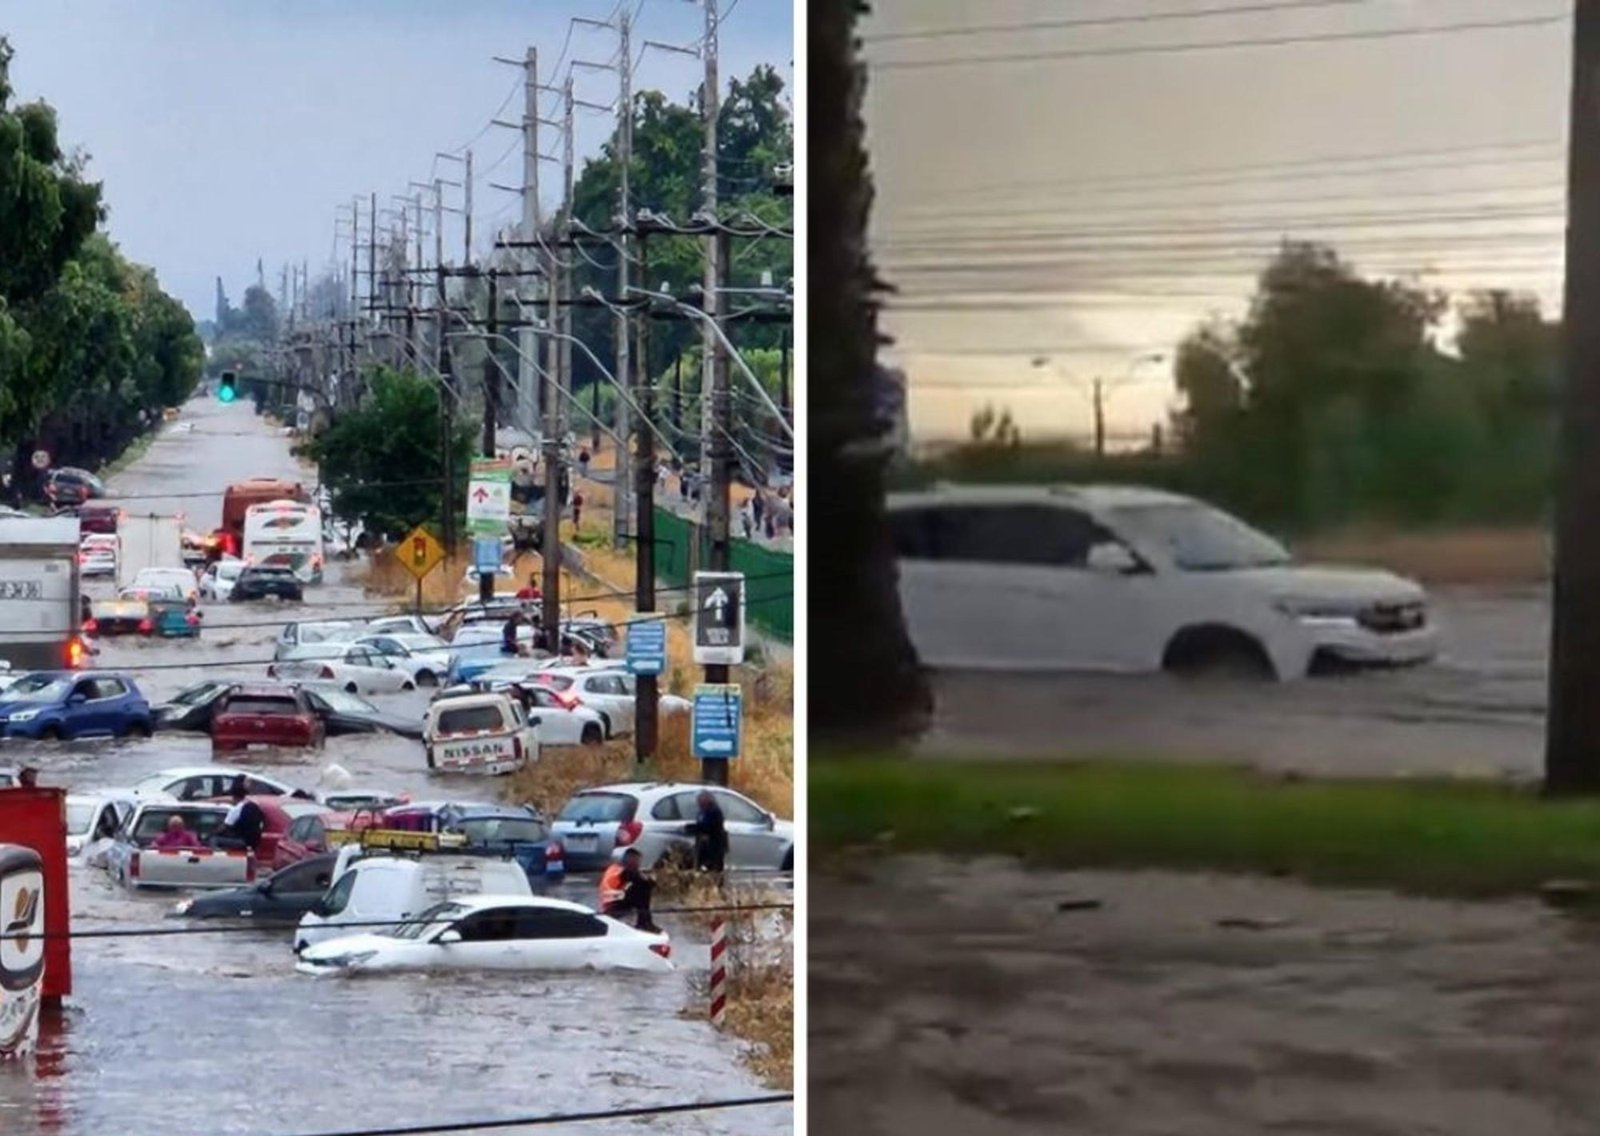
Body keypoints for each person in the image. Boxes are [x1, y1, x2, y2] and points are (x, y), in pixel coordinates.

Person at [599, 848, 660, 932]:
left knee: (639, 888)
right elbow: (643, 882)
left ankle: (644, 921)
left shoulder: (614, 868)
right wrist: (652, 880)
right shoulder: (624, 872)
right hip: (613, 905)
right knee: (642, 889)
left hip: (611, 902)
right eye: (637, 861)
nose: (638, 864)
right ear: (629, 860)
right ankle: (645, 922)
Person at [215, 779, 267, 852]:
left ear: (233, 797)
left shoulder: (236, 809)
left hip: (242, 841)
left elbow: (224, 827)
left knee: (214, 839)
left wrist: (211, 834)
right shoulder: (251, 805)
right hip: (254, 842)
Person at [682, 790, 729, 873]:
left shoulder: (714, 811)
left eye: (700, 800)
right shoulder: (702, 811)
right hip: (704, 846)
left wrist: (695, 828)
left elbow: (710, 827)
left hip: (714, 846)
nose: (698, 803)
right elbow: (701, 824)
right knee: (702, 867)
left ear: (707, 800)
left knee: (713, 868)